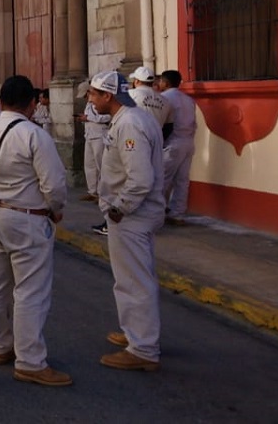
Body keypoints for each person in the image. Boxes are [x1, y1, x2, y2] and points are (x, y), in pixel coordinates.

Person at [0, 76, 71, 387]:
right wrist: (55, 208)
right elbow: (53, 185)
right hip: (27, 217)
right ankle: (29, 360)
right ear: (31, 103)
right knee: (30, 290)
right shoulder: (34, 135)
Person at [87, 70, 166, 372]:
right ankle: (137, 332)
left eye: (94, 94)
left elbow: (140, 178)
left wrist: (120, 207)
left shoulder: (131, 124)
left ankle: (143, 347)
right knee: (133, 277)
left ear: (108, 96)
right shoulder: (132, 120)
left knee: (134, 280)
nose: (91, 100)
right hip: (135, 214)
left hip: (133, 215)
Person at [157, 70, 197, 226]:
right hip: (188, 141)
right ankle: (177, 213)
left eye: (160, 81)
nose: (158, 84)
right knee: (182, 179)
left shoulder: (164, 99)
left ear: (165, 83)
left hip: (172, 142)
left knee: (162, 179)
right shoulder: (189, 99)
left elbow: (162, 121)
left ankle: (157, 212)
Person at [77, 94, 111, 204]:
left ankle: (103, 193)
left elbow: (108, 117)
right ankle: (92, 191)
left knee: (101, 165)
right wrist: (83, 119)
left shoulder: (102, 103)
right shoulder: (88, 104)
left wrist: (89, 118)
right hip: (89, 135)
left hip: (100, 136)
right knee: (89, 165)